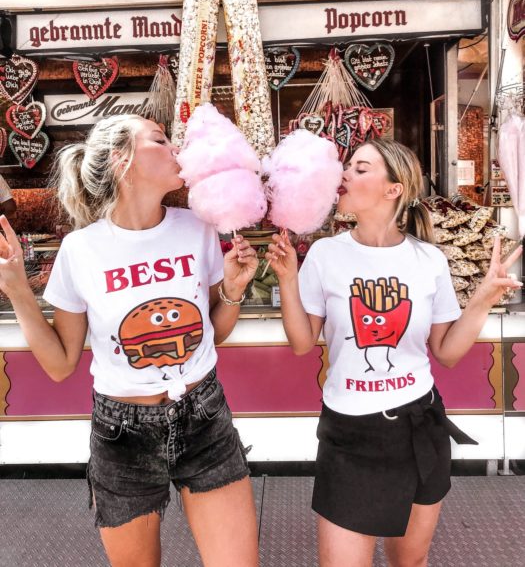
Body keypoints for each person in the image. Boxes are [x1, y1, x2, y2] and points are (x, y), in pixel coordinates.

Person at [0, 114, 259, 567]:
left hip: (205, 419)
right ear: (123, 161)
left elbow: (210, 334)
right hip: (123, 435)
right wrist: (19, 290)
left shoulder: (198, 227)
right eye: (160, 140)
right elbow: (61, 363)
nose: (176, 148)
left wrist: (234, 290)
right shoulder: (81, 250)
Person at [266, 138, 522, 567]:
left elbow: (447, 353)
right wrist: (288, 280)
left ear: (394, 189)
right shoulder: (325, 255)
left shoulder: (428, 259)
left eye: (360, 168)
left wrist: (483, 298)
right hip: (349, 435)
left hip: (418, 428)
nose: (343, 174)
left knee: (410, 562)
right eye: (346, 166)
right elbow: (302, 342)